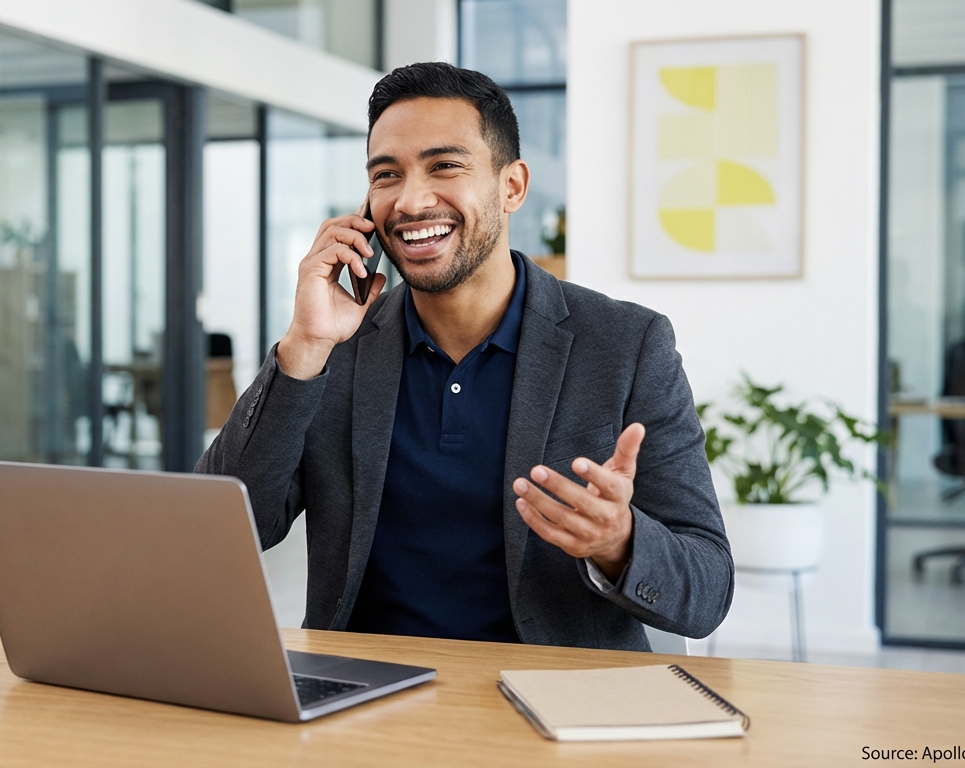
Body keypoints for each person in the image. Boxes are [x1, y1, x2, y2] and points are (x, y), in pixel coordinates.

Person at [196, 62, 733, 651]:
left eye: (444, 166)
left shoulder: (626, 345)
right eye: (386, 176)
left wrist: (619, 541)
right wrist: (303, 348)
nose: (411, 200)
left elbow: (707, 590)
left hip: (556, 703)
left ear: (512, 186)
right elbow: (222, 534)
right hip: (363, 702)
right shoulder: (335, 346)